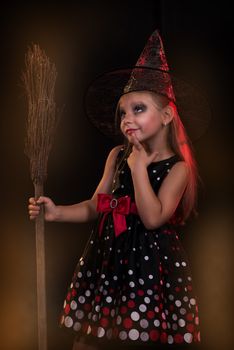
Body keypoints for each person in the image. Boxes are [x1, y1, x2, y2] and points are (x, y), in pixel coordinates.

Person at [28, 30, 209, 349]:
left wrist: (139, 167)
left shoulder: (177, 168)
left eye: (138, 109)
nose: (127, 118)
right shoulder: (117, 156)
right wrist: (56, 212)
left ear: (166, 115)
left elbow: (153, 218)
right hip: (108, 260)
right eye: (123, 112)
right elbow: (96, 205)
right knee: (89, 338)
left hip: (149, 268)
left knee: (137, 334)